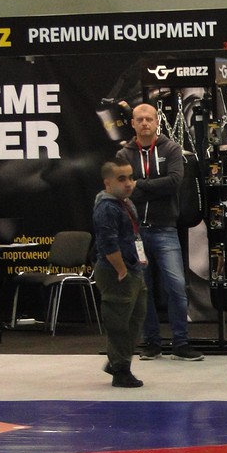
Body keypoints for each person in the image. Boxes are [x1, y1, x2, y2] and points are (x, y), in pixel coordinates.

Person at [116, 103, 203, 362]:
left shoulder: (171, 149)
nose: (145, 123)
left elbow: (175, 181)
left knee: (176, 286)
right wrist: (151, 187)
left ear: (157, 122)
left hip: (165, 229)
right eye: (140, 119)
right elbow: (122, 188)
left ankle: (180, 342)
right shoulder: (124, 153)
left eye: (149, 119)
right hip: (136, 232)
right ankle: (152, 342)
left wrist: (140, 186)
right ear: (133, 123)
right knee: (143, 288)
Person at [92, 161, 148, 389]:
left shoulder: (125, 203)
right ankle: (121, 370)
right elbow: (108, 243)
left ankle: (118, 360)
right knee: (119, 323)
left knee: (135, 318)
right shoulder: (107, 208)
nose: (129, 183)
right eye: (122, 179)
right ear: (108, 183)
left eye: (131, 177)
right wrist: (121, 269)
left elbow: (131, 236)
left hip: (132, 267)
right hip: (115, 271)